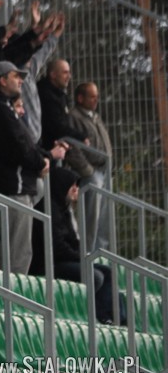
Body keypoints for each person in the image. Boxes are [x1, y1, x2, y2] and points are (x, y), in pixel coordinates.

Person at [0, 57, 67, 275]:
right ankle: (10, 302)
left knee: (17, 250)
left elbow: (25, 144)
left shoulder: (2, 108)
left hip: (14, 186)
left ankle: (5, 297)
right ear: (2, 80)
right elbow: (18, 146)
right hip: (11, 189)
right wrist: (42, 162)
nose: (20, 81)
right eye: (16, 76)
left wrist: (43, 158)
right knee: (17, 253)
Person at [37, 166, 125, 325]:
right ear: (62, 185)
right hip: (49, 265)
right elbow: (56, 248)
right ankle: (101, 317)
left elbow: (72, 241)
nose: (77, 189)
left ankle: (119, 318)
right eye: (73, 186)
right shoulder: (48, 210)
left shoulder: (63, 209)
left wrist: (82, 255)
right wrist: (80, 257)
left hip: (64, 259)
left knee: (108, 271)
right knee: (95, 276)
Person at [69, 81, 113, 252]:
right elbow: (74, 149)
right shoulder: (74, 116)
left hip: (105, 171)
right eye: (92, 96)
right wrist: (88, 170)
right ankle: (87, 253)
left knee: (104, 217)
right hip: (91, 172)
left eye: (97, 96)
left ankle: (101, 253)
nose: (96, 100)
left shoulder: (95, 116)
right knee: (91, 216)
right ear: (80, 98)